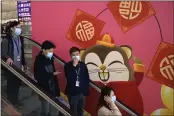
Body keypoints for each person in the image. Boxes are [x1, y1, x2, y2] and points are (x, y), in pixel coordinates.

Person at [1, 21, 26, 107]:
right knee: (12, 84)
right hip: (11, 66)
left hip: (18, 66)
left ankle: (15, 100)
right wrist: (7, 57)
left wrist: (23, 64)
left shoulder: (20, 38)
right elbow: (3, 52)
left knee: (17, 84)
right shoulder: (6, 39)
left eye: (20, 27)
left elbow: (22, 52)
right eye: (18, 27)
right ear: (12, 28)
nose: (20, 29)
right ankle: (11, 101)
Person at [34, 40, 61, 116]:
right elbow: (37, 75)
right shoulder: (39, 60)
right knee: (45, 110)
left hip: (52, 87)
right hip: (44, 88)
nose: (51, 53)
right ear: (43, 50)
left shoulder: (50, 58)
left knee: (50, 110)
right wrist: (52, 74)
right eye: (50, 51)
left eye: (52, 51)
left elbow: (52, 73)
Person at [64, 46, 90, 116]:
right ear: (71, 56)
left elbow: (86, 78)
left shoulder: (83, 65)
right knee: (73, 112)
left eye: (77, 54)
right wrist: (74, 66)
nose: (76, 56)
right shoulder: (68, 65)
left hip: (82, 92)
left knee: (81, 111)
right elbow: (69, 77)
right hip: (73, 93)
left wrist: (86, 90)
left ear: (79, 54)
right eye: (73, 55)